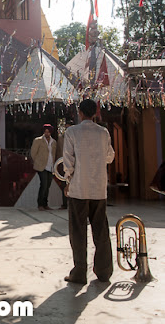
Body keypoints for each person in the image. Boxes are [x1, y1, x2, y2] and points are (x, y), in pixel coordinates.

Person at [63, 98, 115, 284]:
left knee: (78, 232)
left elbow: (68, 161)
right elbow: (110, 157)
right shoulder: (103, 132)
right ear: (95, 113)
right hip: (98, 188)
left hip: (79, 187)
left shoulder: (72, 132)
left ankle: (79, 273)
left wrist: (68, 181)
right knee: (100, 230)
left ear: (80, 112)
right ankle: (104, 271)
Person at [30, 124, 57, 211]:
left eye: (48, 132)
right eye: (45, 132)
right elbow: (33, 153)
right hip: (41, 166)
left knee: (48, 185)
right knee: (44, 184)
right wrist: (37, 161)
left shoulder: (54, 142)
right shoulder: (38, 140)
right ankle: (40, 204)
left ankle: (45, 204)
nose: (47, 133)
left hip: (50, 166)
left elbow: (54, 153)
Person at [55, 119, 74, 209]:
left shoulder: (76, 138)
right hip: (63, 164)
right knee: (64, 184)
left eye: (69, 127)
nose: (68, 129)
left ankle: (73, 204)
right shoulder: (61, 138)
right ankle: (65, 204)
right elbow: (58, 151)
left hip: (74, 165)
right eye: (66, 128)